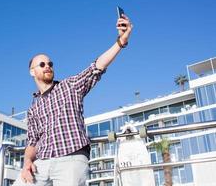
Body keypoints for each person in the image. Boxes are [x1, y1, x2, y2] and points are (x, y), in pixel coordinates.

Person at [15, 14, 133, 186]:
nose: (47, 66)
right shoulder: (33, 108)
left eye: (50, 63)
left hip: (71, 158)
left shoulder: (69, 86)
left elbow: (97, 67)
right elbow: (32, 142)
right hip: (43, 162)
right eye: (42, 64)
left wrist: (121, 41)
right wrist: (27, 163)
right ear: (32, 72)